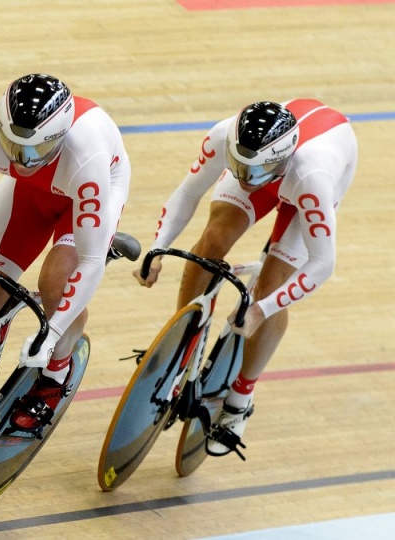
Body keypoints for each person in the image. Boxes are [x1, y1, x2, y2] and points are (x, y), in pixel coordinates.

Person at [134, 99, 357, 457]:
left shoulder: (314, 176)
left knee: (269, 286)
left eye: (252, 172)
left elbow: (322, 263)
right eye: (239, 166)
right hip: (268, 163)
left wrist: (262, 309)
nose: (245, 180)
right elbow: (188, 192)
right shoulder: (226, 137)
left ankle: (240, 399)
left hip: (310, 175)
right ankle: (182, 345)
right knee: (211, 243)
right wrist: (157, 249)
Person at [0, 73, 131, 430]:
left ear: (57, 138)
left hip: (89, 194)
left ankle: (54, 376)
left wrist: (51, 335)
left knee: (56, 282)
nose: (19, 158)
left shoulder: (86, 152)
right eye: (11, 145)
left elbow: (93, 260)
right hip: (33, 192)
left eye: (32, 151)